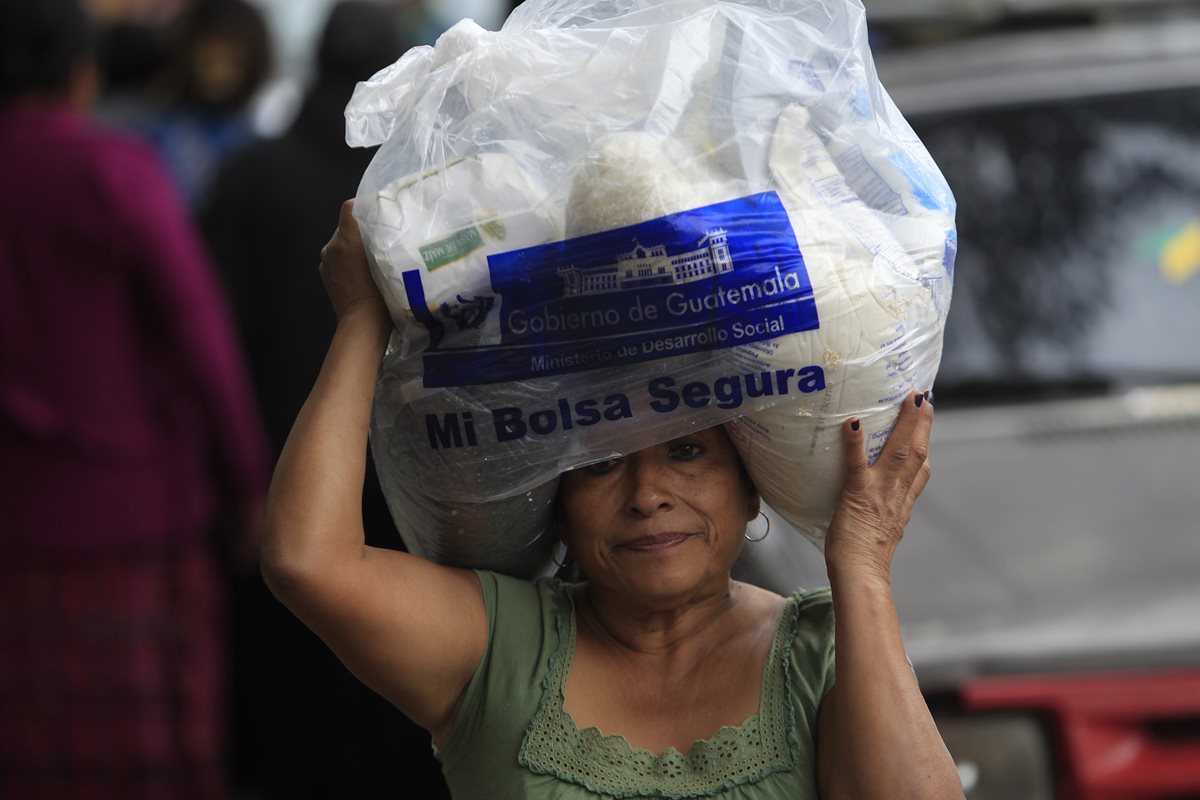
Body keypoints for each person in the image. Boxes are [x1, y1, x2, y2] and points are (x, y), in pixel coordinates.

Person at [260, 201, 964, 799]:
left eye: (686, 453)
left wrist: (864, 568)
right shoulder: (501, 647)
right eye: (600, 464)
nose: (648, 496)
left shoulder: (823, 653)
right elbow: (307, 560)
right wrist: (360, 319)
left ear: (751, 488)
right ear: (556, 503)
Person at [0, 0, 269, 796]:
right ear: (80, 75)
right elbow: (201, 341)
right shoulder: (114, 170)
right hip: (131, 521)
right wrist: (246, 484)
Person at [200, 4, 447, 796]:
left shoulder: (250, 173)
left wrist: (235, 484)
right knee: (394, 716)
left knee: (285, 714)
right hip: (422, 508)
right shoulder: (430, 185)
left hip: (281, 495)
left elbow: (208, 349)